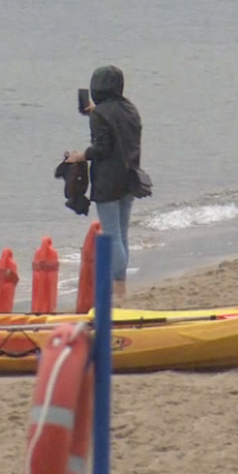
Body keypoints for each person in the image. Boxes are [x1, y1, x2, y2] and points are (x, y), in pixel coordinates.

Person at [65, 65, 144, 301]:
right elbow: (116, 130)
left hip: (108, 181)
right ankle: (121, 286)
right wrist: (94, 113)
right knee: (122, 233)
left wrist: (81, 156)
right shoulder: (130, 108)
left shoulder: (101, 114)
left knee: (111, 234)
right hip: (130, 176)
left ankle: (118, 288)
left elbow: (102, 147)